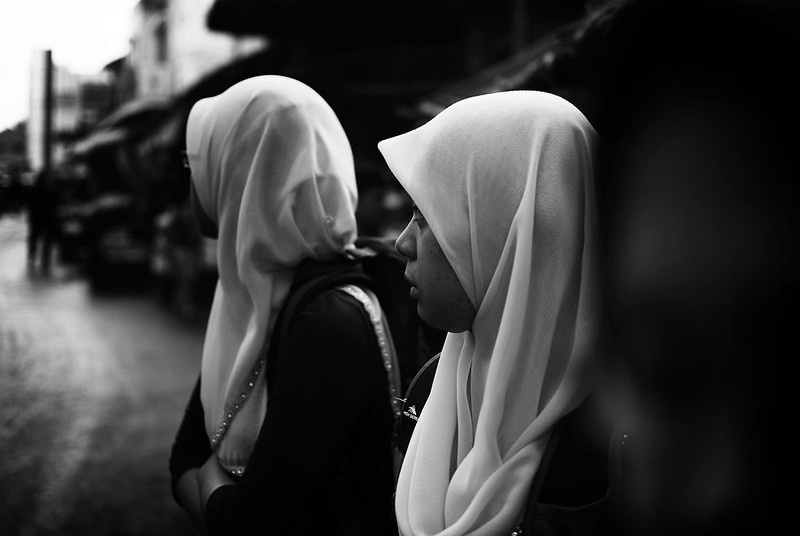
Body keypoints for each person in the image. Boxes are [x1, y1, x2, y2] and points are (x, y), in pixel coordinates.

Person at [169, 75, 399, 535]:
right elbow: (184, 459)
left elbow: (243, 521)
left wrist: (212, 478)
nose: (193, 176)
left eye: (196, 161)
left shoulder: (325, 322)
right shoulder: (250, 293)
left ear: (241, 170)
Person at [378, 90, 605, 536]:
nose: (403, 242)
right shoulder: (430, 387)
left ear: (505, 234)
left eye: (426, 214)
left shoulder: (620, 438)